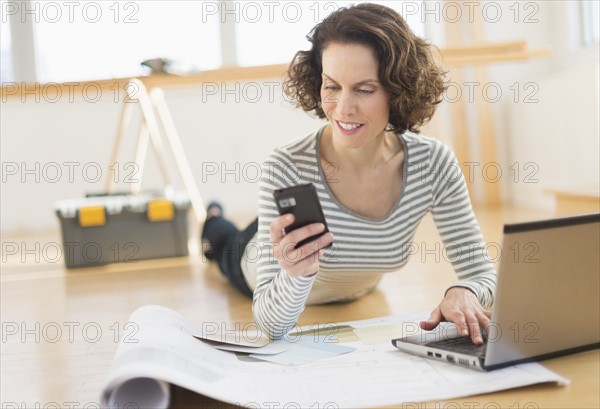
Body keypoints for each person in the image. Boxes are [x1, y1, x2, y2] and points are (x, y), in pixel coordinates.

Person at [201, 3, 496, 343]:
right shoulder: (286, 165)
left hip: (356, 288)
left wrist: (465, 290)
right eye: (332, 86)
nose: (343, 109)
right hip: (258, 263)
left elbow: (482, 273)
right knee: (224, 242)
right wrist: (298, 273)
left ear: (398, 90)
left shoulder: (433, 164)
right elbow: (270, 325)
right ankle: (213, 216)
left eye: (365, 89)